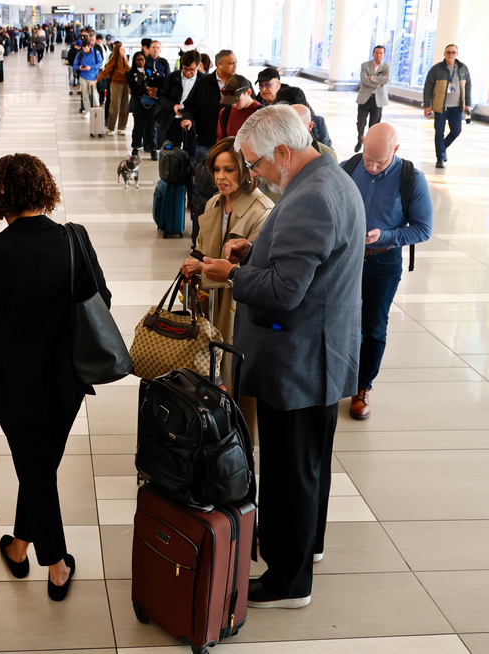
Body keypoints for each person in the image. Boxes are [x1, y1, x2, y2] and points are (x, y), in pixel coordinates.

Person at [199, 105, 365, 608]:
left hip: (296, 361)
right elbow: (305, 266)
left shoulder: (309, 198)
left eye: (254, 163)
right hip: (322, 354)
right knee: (310, 464)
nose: (252, 173)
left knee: (289, 472)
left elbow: (286, 291)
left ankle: (287, 583)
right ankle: (306, 548)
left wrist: (231, 274)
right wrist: (255, 252)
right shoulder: (331, 178)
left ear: (284, 153)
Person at [0, 153, 111, 602]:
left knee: (36, 471)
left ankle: (56, 565)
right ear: (44, 190)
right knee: (40, 467)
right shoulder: (74, 240)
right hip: (67, 378)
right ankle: (18, 547)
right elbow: (103, 299)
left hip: (13, 382)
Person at [342, 123, 433, 419]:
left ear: (395, 150)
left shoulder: (411, 179)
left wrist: (386, 236)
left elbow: (423, 229)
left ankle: (362, 386)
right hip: (347, 259)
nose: (371, 166)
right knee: (339, 320)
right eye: (368, 157)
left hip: (384, 262)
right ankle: (335, 380)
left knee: (373, 326)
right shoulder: (348, 168)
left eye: (380, 161)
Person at [179, 137, 273, 417]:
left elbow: (261, 272)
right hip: (209, 305)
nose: (220, 177)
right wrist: (191, 268)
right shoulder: (212, 205)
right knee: (207, 377)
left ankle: (240, 447)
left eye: (229, 170)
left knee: (236, 380)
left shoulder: (262, 211)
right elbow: (200, 250)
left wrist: (216, 270)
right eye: (216, 170)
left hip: (239, 309)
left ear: (245, 171)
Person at [181, 49, 237, 162]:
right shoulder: (203, 83)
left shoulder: (241, 83)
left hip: (233, 143)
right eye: (231, 63)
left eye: (236, 62)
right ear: (219, 65)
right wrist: (187, 118)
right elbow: (190, 106)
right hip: (207, 141)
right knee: (204, 175)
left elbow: (253, 107)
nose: (235, 66)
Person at [423, 44, 472, 168]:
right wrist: (427, 105)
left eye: (453, 52)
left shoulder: (462, 68)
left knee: (456, 130)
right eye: (448, 52)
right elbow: (428, 87)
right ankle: (440, 158)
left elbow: (468, 87)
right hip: (440, 106)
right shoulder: (437, 69)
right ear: (444, 53)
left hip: (456, 107)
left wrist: (468, 104)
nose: (451, 54)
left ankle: (442, 148)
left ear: (457, 54)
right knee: (439, 132)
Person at [158, 50, 203, 148]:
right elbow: (162, 97)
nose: (187, 72)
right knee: (171, 154)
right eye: (185, 68)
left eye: (192, 69)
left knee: (192, 155)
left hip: (193, 123)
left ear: (198, 66)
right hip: (173, 121)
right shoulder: (173, 77)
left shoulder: (203, 80)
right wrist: (172, 106)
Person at [355, 45, 390, 153]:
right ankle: (360, 138)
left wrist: (372, 78)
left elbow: (386, 79)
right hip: (365, 98)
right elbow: (364, 81)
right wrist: (378, 82)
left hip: (378, 100)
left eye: (381, 53)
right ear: (373, 54)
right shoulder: (365, 65)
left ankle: (369, 143)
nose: (379, 55)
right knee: (361, 122)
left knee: (374, 125)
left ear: (384, 55)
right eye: (377, 52)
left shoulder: (386, 67)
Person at [126, 52, 158, 160]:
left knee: (152, 125)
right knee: (138, 125)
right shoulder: (131, 73)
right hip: (138, 102)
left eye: (143, 59)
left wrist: (153, 90)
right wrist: (146, 90)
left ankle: (153, 148)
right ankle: (135, 147)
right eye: (139, 60)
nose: (141, 62)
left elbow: (156, 80)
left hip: (151, 103)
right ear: (135, 61)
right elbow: (134, 88)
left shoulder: (149, 70)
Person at [97, 42, 129, 135]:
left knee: (125, 107)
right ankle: (110, 127)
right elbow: (105, 71)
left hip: (125, 85)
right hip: (115, 84)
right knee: (114, 106)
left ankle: (121, 127)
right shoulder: (114, 60)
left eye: (124, 49)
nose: (123, 51)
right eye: (121, 49)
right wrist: (96, 80)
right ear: (117, 51)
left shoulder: (126, 61)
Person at [216, 74, 260, 139]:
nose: (233, 104)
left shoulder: (263, 114)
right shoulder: (225, 113)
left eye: (237, 100)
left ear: (248, 92)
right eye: (230, 100)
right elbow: (221, 140)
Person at [73, 39, 104, 116]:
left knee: (94, 94)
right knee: (85, 95)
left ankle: (97, 110)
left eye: (86, 48)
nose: (85, 50)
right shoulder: (80, 54)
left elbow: (100, 64)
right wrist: (80, 68)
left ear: (90, 46)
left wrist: (91, 67)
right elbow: (74, 65)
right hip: (83, 77)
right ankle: (87, 111)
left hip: (93, 78)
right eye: (83, 49)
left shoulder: (96, 53)